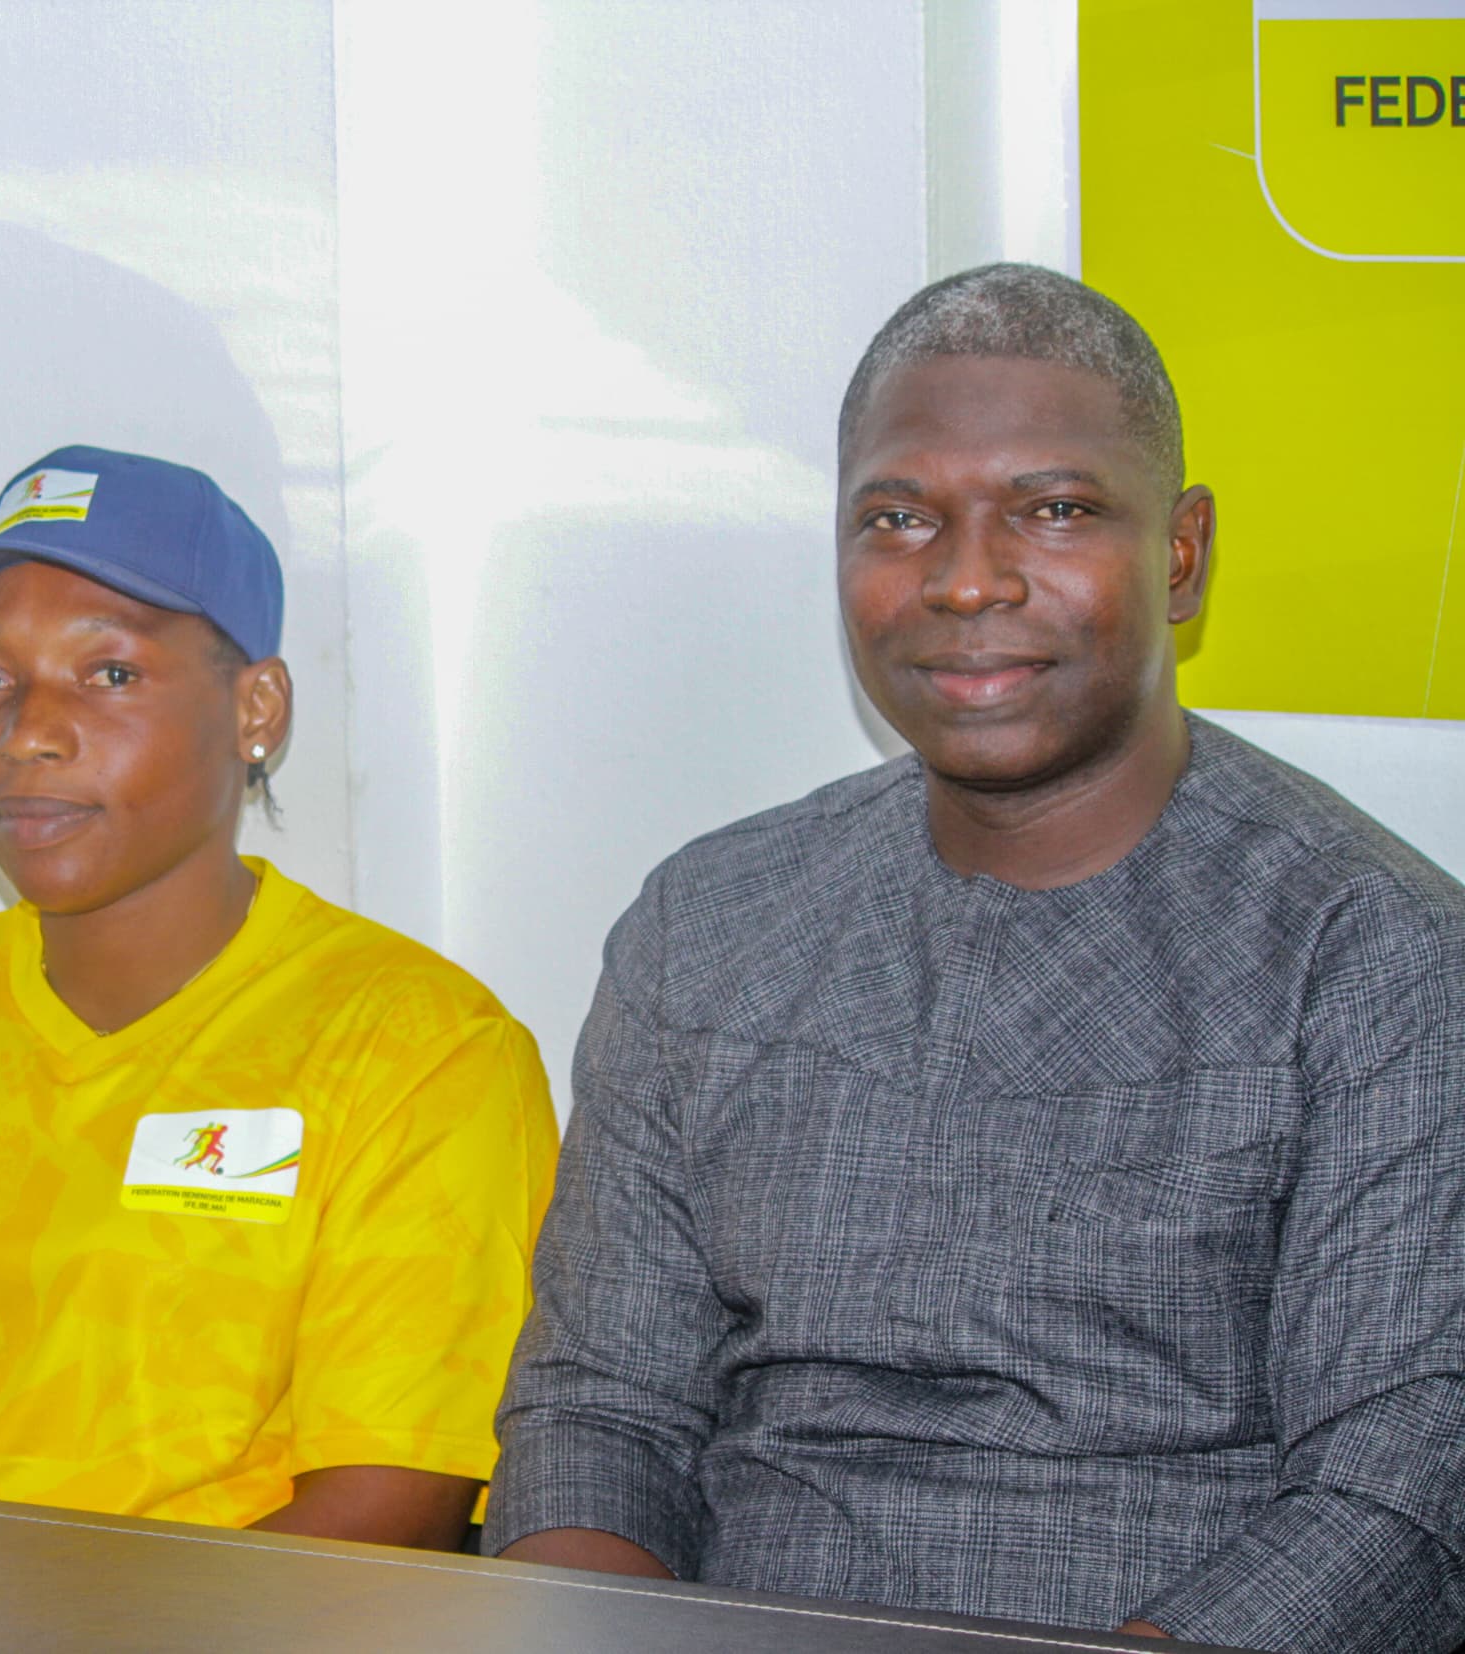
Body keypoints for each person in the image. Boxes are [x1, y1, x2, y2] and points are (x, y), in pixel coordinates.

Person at [484, 263, 1465, 1650]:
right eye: (899, 518)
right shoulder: (704, 924)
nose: (965, 579)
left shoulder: (1370, 952)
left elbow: (1389, 1500)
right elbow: (600, 1415)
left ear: (1181, 555)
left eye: (1054, 510)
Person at [0, 444, 558, 1548]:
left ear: (257, 709)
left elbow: (386, 1508)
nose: (27, 732)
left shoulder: (420, 1049)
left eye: (109, 674)